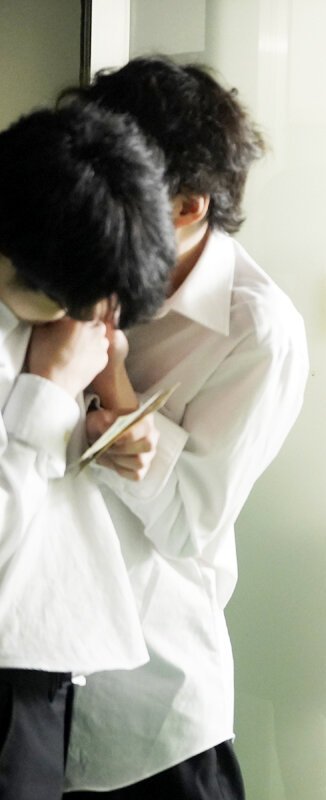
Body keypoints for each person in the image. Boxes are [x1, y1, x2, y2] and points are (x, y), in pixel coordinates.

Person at [60, 56, 309, 799]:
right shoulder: (63, 259)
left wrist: (114, 385)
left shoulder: (258, 330)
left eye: (114, 182)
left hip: (147, 708)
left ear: (187, 206)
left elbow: (191, 524)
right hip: (32, 673)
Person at [0, 103, 176, 800]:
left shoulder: (51, 319)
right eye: (93, 300)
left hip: (44, 669)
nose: (102, 318)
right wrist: (48, 391)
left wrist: (105, 425)